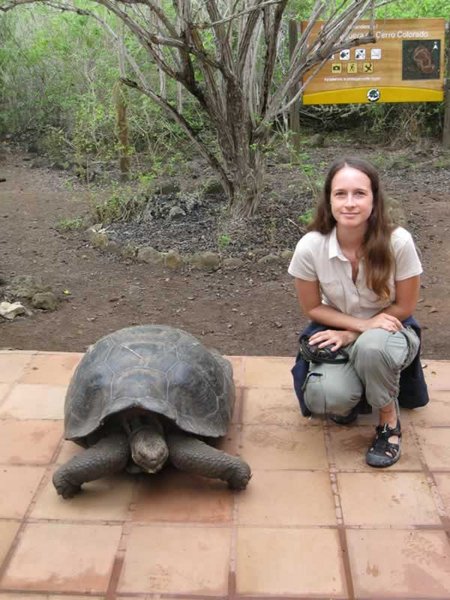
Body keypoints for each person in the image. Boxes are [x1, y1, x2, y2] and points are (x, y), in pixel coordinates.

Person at [288, 157, 429, 468]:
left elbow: (405, 307)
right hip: (343, 326)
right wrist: (360, 325)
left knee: (371, 347)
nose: (349, 203)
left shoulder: (399, 242)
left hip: (393, 332)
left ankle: (389, 422)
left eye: (359, 194)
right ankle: (358, 392)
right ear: (328, 200)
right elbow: (311, 307)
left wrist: (357, 332)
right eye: (340, 194)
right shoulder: (310, 246)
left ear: (374, 200)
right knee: (326, 397)